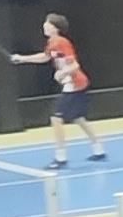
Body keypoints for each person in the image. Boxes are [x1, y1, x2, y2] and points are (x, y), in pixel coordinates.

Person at [9, 14, 107, 168]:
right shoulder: (51, 43)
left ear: (55, 28)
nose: (44, 25)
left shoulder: (62, 42)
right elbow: (45, 57)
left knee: (56, 118)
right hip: (73, 84)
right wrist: (22, 58)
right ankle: (99, 150)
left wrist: (62, 73)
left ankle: (61, 158)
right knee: (78, 118)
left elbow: (74, 65)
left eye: (47, 23)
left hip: (75, 84)